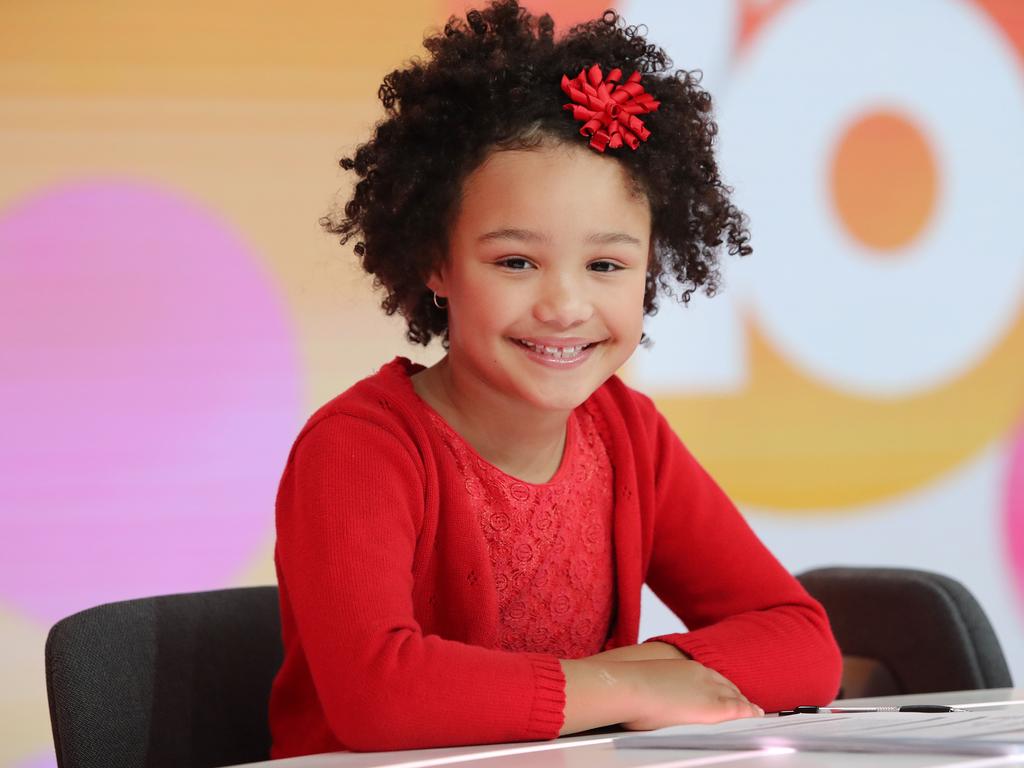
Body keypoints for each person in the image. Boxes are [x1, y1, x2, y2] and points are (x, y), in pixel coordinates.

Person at [269, 0, 841, 757]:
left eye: (606, 265)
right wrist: (626, 689)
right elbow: (384, 698)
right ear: (436, 264)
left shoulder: (627, 433)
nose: (566, 305)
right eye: (515, 262)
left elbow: (804, 644)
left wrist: (617, 675)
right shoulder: (359, 449)